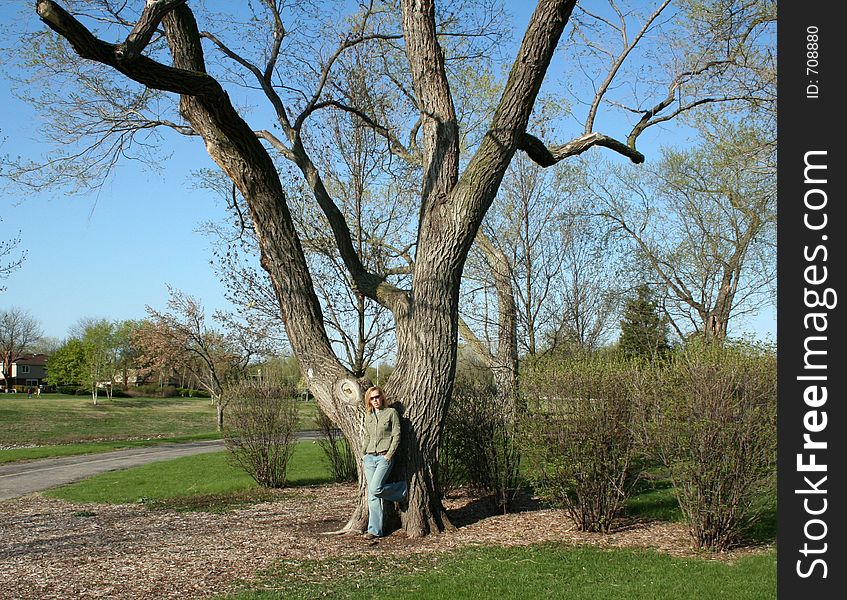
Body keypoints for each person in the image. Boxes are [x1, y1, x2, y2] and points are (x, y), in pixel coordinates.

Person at [361, 385, 407, 539]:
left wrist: (389, 454)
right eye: (372, 398)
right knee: (373, 496)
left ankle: (402, 490)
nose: (375, 400)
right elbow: (367, 435)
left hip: (383, 458)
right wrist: (363, 453)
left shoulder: (391, 413)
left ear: (382, 397)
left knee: (375, 488)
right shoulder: (368, 415)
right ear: (369, 400)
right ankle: (374, 530)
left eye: (377, 397)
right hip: (369, 458)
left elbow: (397, 434)